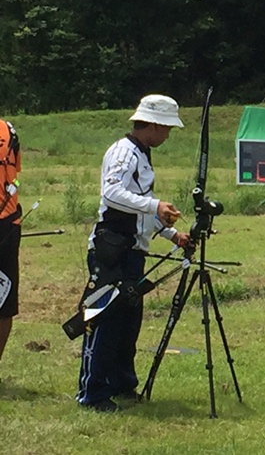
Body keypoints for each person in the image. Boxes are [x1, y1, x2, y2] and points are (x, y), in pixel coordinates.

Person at [76, 94, 188, 412]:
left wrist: (172, 234)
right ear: (151, 124)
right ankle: (92, 393)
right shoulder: (124, 153)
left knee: (128, 323)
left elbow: (137, 208)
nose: (167, 135)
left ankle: (121, 384)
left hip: (132, 251)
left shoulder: (141, 154)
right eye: (166, 128)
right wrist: (156, 205)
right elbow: (112, 194)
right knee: (104, 321)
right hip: (111, 251)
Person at [0, 119, 21, 364]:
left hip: (7, 224)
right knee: (4, 299)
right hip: (7, 224)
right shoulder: (9, 129)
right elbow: (15, 176)